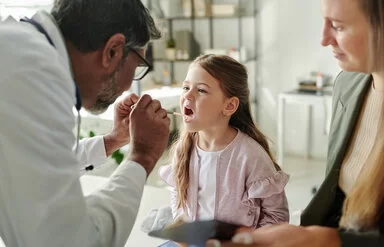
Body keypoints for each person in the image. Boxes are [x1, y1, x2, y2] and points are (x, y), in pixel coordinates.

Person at [207, 0, 384, 246]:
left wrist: (326, 239)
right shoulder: (347, 85)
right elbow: (335, 195)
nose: (324, 39)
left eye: (338, 26)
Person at [0, 0, 171, 246]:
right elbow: (69, 241)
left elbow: (36, 162)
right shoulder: (33, 77)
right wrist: (142, 157)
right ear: (112, 51)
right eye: (135, 70)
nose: (126, 88)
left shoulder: (20, 53)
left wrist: (113, 140)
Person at [159, 54, 289, 228]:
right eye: (185, 87)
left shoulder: (251, 156)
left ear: (229, 106)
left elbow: (277, 216)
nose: (187, 96)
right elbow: (178, 194)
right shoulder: (183, 150)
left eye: (201, 90)